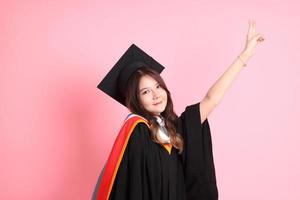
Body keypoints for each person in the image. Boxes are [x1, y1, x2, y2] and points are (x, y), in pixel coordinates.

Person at [92, 20, 265, 200]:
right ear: (136, 100)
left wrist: (245, 56)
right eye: (145, 92)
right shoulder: (137, 131)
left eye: (158, 86)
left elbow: (211, 99)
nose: (156, 95)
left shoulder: (175, 129)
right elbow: (134, 187)